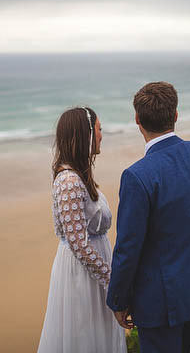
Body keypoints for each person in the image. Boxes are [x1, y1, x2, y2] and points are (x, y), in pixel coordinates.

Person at [107, 82, 190, 353]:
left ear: (137, 120)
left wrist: (118, 300)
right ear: (175, 115)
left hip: (160, 301)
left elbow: (128, 247)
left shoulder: (137, 175)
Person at [37, 106, 128, 353]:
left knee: (99, 335)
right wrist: (112, 282)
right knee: (85, 336)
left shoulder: (80, 175)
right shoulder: (68, 181)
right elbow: (78, 244)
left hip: (94, 267)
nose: (101, 135)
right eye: (99, 129)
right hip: (82, 275)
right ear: (85, 134)